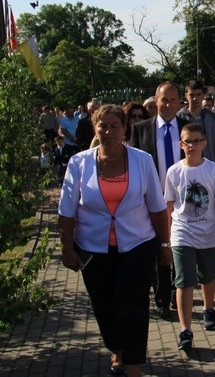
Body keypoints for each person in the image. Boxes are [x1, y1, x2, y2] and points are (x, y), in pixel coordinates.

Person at [57, 104, 170, 377]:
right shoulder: (79, 163)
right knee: (104, 304)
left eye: (114, 126)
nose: (108, 131)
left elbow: (157, 207)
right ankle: (116, 349)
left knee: (134, 304)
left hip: (137, 244)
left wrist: (164, 246)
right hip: (93, 248)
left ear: (124, 130)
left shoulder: (142, 160)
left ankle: (132, 364)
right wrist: (67, 247)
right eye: (102, 126)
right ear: (95, 128)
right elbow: (66, 211)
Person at [164, 123, 215, 351]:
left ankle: (208, 308)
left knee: (208, 275)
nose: (191, 145)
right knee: (184, 280)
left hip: (208, 232)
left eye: (196, 141)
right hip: (182, 232)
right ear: (180, 145)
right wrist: (166, 239)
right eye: (187, 141)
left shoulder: (213, 171)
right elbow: (169, 206)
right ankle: (185, 330)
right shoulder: (173, 172)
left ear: (203, 143)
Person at [130, 81, 190, 319]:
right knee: (159, 250)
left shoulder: (188, 128)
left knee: (179, 249)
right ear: (156, 101)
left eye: (173, 100)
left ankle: (177, 292)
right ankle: (162, 298)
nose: (168, 104)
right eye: (164, 99)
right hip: (152, 201)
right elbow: (134, 165)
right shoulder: (141, 129)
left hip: (181, 201)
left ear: (179, 103)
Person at [177, 80, 215, 173]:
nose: (195, 98)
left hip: (211, 170)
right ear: (186, 95)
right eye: (192, 95)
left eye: (198, 94)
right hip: (187, 170)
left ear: (203, 95)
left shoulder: (213, 118)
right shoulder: (178, 118)